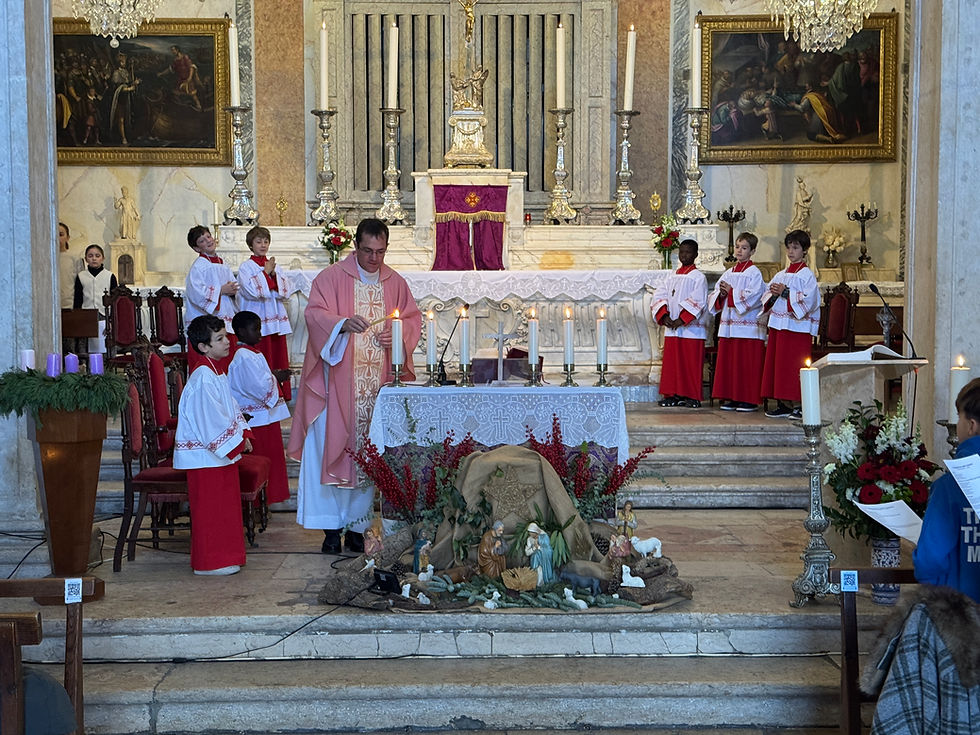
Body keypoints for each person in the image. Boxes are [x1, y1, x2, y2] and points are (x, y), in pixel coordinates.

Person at [287, 218, 421, 554]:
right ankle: (330, 530)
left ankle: (359, 529)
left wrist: (399, 336)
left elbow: (412, 319)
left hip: (377, 389)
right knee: (328, 449)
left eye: (380, 251)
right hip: (336, 388)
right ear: (355, 247)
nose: (374, 259)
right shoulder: (331, 279)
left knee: (367, 454)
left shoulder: (396, 283)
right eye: (367, 251)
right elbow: (315, 315)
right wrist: (341, 325)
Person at [174, 315, 253, 576]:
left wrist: (244, 434)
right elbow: (210, 421)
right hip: (206, 458)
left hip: (217, 457)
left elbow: (230, 408)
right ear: (202, 346)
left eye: (226, 336)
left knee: (224, 510)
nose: (227, 342)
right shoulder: (202, 378)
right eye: (219, 339)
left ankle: (226, 556)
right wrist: (236, 442)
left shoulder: (215, 371)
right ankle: (210, 562)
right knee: (211, 512)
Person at [913, 377, 980, 602]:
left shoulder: (949, 486)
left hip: (961, 620)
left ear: (972, 426)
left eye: (959, 417)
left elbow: (929, 561)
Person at [228, 311, 291, 506]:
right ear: (240, 331)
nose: (260, 334)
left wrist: (272, 375)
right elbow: (258, 387)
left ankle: (265, 502)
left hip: (265, 417)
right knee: (262, 459)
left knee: (270, 461)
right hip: (257, 419)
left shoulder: (252, 353)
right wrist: (276, 378)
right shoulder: (244, 356)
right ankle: (257, 505)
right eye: (255, 329)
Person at [760, 230, 820, 419]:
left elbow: (810, 301)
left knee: (795, 365)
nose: (791, 251)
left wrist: (786, 293)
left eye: (795, 247)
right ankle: (783, 403)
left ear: (805, 251)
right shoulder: (780, 275)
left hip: (797, 327)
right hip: (779, 325)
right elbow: (766, 297)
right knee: (780, 365)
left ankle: (799, 403)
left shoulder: (806, 275)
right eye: (789, 247)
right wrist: (774, 294)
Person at [709, 232, 766, 411]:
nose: (739, 251)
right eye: (737, 247)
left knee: (746, 364)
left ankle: (748, 399)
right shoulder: (729, 272)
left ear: (752, 251)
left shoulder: (754, 273)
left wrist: (731, 293)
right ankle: (732, 397)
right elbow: (715, 295)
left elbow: (755, 296)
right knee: (731, 363)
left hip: (748, 327)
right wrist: (722, 294)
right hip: (730, 326)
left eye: (744, 248)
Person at [236, 226, 293, 401]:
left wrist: (274, 274)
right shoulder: (246, 267)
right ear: (251, 245)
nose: (263, 245)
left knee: (276, 356)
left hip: (274, 320)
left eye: (266, 241)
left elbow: (285, 290)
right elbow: (252, 291)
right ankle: (261, 394)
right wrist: (266, 272)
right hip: (257, 319)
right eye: (258, 241)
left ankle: (280, 393)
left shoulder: (274, 265)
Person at [651, 239, 708, 408]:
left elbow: (699, 300)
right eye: (682, 252)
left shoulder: (699, 277)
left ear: (696, 255)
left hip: (690, 329)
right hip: (673, 328)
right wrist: (665, 315)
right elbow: (659, 295)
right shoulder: (672, 276)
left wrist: (681, 319)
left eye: (688, 252)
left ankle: (691, 396)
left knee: (690, 363)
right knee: (672, 364)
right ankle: (672, 394)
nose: (684, 255)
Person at [184, 225, 238, 374]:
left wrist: (233, 292)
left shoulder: (222, 263)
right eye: (202, 241)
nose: (208, 241)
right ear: (196, 248)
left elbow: (233, 287)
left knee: (228, 365)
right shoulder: (199, 266)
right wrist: (222, 290)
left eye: (208, 236)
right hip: (206, 326)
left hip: (225, 320)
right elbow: (196, 294)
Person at [72, 244, 118, 355]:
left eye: (97, 256)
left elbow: (115, 299)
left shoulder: (109, 276)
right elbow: (78, 299)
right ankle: (86, 367)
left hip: (104, 314)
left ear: (103, 258)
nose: (94, 258)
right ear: (86, 258)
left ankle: (107, 367)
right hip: (86, 314)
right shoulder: (81, 276)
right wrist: (77, 316)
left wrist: (111, 319)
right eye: (90, 256)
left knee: (104, 344)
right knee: (85, 346)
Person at [58, 221, 84, 310]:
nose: (57, 238)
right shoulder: (44, 258)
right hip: (48, 305)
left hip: (69, 306)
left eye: (61, 234)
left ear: (67, 237)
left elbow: (80, 285)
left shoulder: (74, 258)